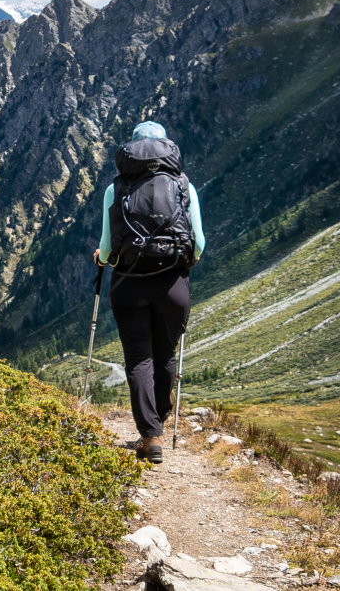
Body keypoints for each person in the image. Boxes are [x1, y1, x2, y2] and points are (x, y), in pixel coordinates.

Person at [94, 121, 204, 464]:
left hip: (129, 284)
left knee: (139, 357)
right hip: (173, 285)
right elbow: (199, 243)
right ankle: (160, 419)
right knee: (165, 354)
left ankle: (150, 435)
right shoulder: (184, 186)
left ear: (132, 150)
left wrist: (102, 258)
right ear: (167, 148)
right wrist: (183, 262)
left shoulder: (116, 189)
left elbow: (107, 250)